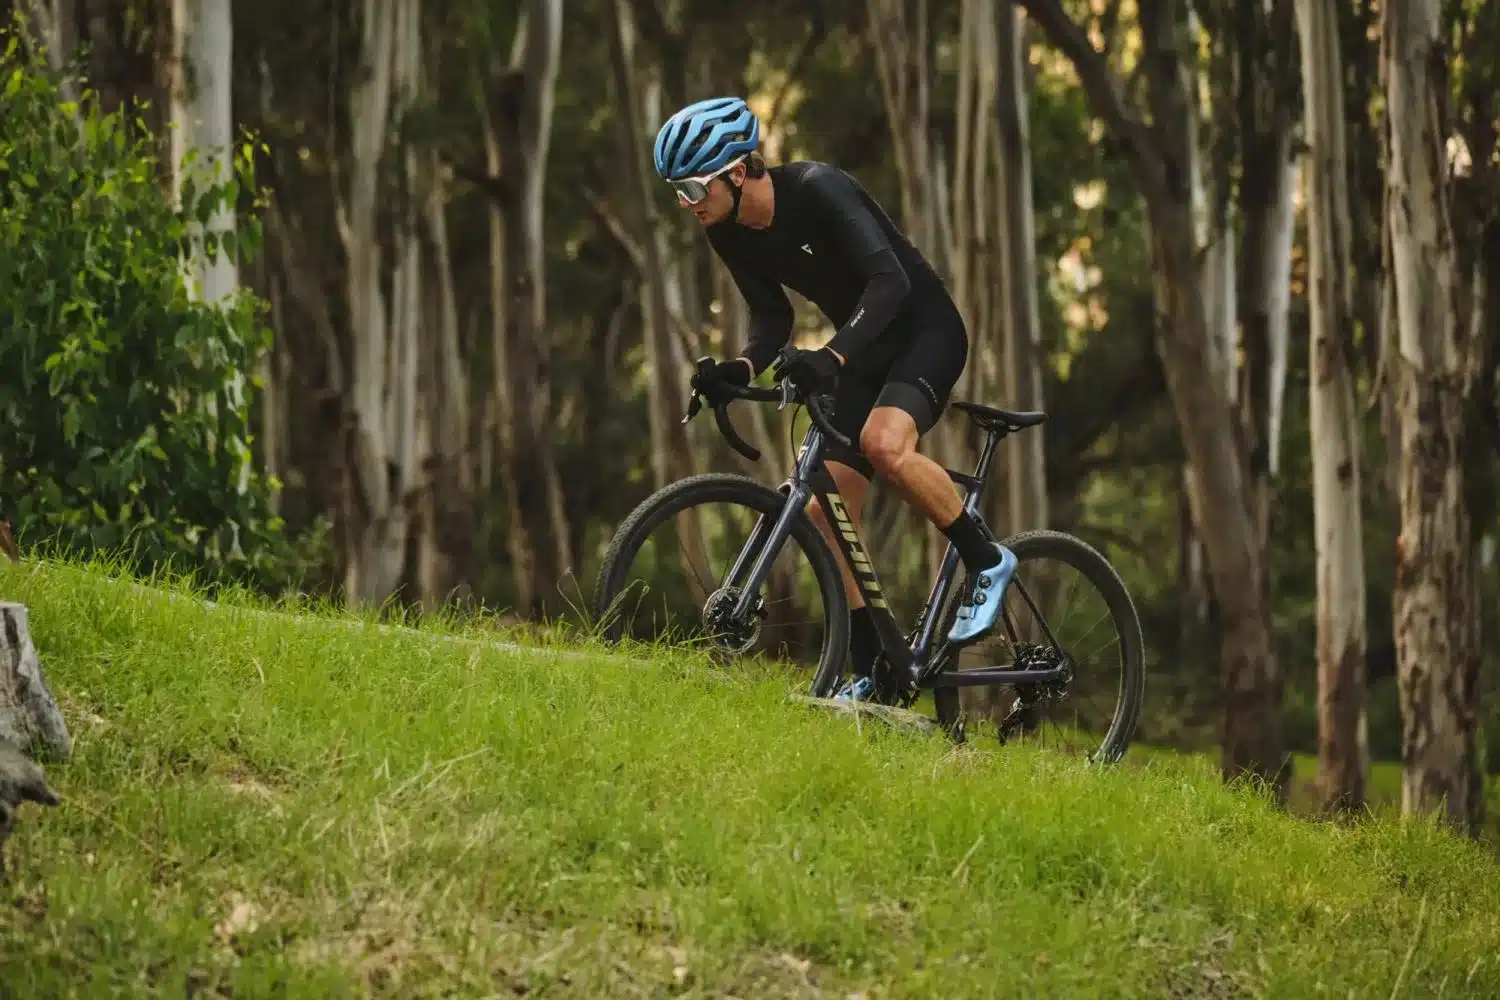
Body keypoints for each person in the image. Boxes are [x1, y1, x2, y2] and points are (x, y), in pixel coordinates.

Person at [653, 95, 1011, 699]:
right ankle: (879, 672)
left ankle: (988, 561)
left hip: (925, 330)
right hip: (864, 350)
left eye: (692, 188)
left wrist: (832, 356)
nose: (687, 205)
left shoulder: (820, 189)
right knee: (823, 513)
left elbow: (889, 281)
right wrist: (737, 368)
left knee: (884, 444)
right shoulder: (730, 231)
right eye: (678, 192)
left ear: (737, 173)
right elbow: (771, 318)